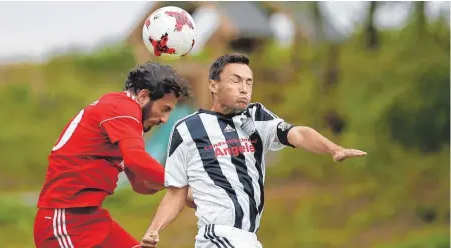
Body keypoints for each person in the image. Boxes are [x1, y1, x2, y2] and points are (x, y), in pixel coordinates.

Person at [140, 53, 367, 248]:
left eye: (249, 82)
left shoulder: (255, 117)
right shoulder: (188, 128)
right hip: (218, 235)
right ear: (213, 85)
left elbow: (297, 134)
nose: (244, 89)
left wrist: (333, 148)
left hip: (247, 238)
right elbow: (177, 192)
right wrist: (154, 229)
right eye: (236, 81)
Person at [33, 62, 190, 248]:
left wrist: (175, 188)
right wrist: (180, 181)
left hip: (91, 218)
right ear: (143, 96)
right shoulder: (121, 107)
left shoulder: (126, 121)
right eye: (164, 110)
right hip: (65, 221)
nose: (165, 120)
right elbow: (136, 158)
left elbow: (140, 184)